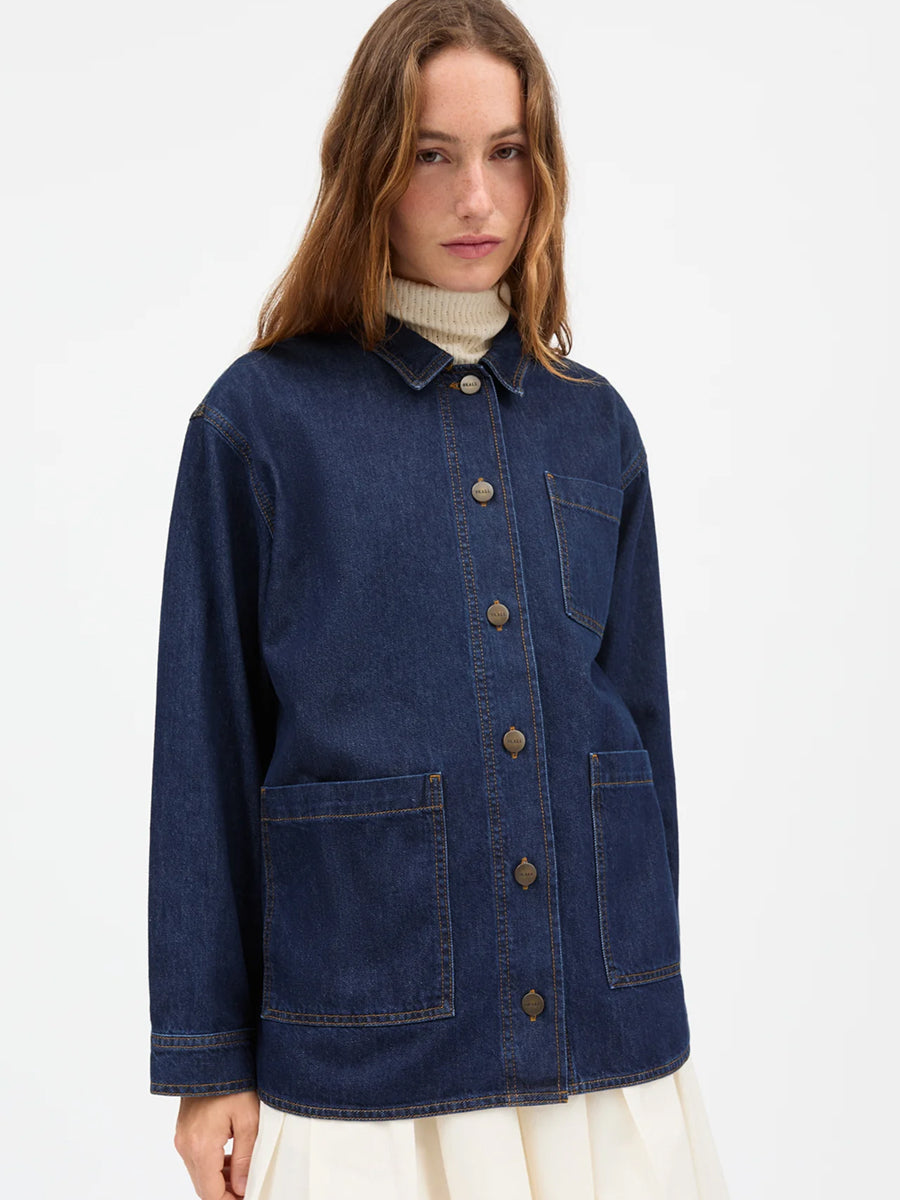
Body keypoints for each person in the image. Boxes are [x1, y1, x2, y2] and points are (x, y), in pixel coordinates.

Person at [147, 1, 731, 1197]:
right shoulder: (261, 423)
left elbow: (642, 734)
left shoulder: (595, 424)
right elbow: (205, 749)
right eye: (432, 154)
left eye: (506, 152)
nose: (477, 198)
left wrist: (643, 983)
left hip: (601, 1055)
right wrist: (208, 1062)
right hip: (368, 1043)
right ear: (370, 167)